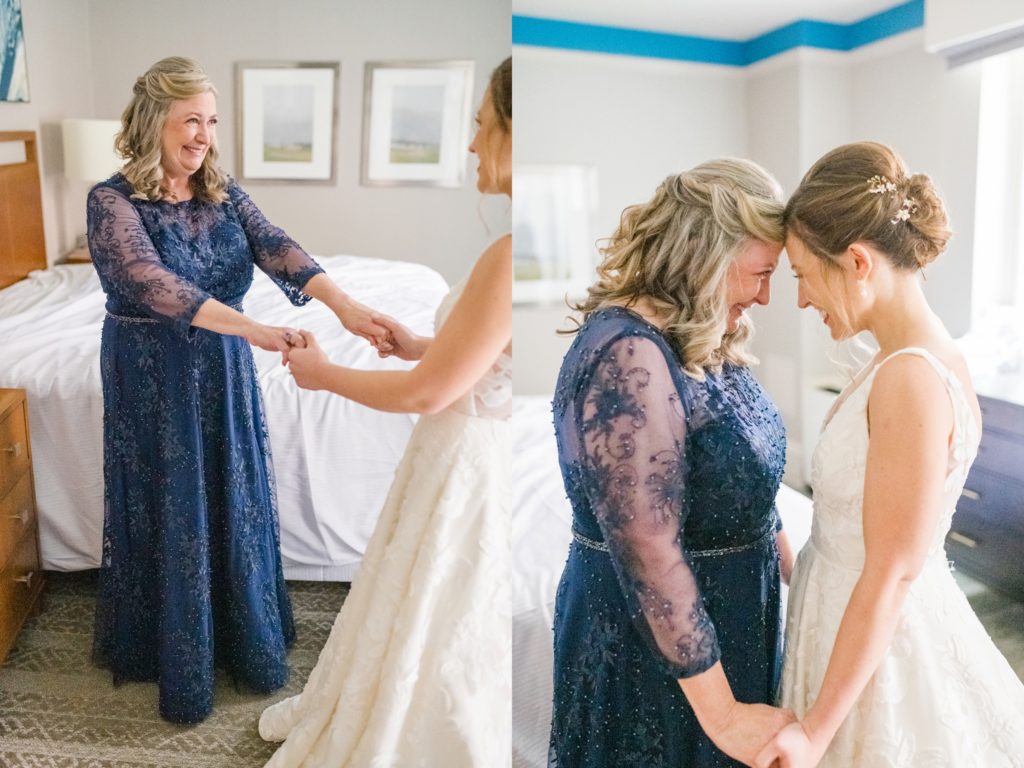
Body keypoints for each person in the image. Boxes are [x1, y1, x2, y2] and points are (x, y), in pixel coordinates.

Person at [87, 56, 389, 725]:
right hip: (152, 372)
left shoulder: (221, 191)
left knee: (231, 488)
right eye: (190, 120)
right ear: (154, 122)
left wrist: (344, 306)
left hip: (222, 365)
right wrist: (254, 328)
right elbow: (150, 282)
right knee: (172, 497)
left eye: (212, 121)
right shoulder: (111, 201)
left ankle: (236, 630)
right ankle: (173, 649)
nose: (204, 135)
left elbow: (274, 243)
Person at [257, 56, 512, 767]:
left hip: (460, 456)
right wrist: (422, 345)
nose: (471, 144)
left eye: (481, 125)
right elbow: (489, 354)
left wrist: (323, 375)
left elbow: (429, 395)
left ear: (511, 133)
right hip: (465, 448)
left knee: (438, 604)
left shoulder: (506, 255)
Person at [754, 141, 1024, 768]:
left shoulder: (910, 377)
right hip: (840, 620)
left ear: (856, 261)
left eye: (802, 275)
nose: (802, 300)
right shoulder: (902, 358)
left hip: (879, 658)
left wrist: (815, 733)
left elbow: (891, 571)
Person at [549, 159, 797, 767]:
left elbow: (744, 480)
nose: (765, 296)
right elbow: (648, 548)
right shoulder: (626, 355)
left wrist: (807, 579)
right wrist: (724, 715)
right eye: (762, 273)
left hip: (734, 616)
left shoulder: (699, 332)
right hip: (658, 646)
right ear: (710, 254)